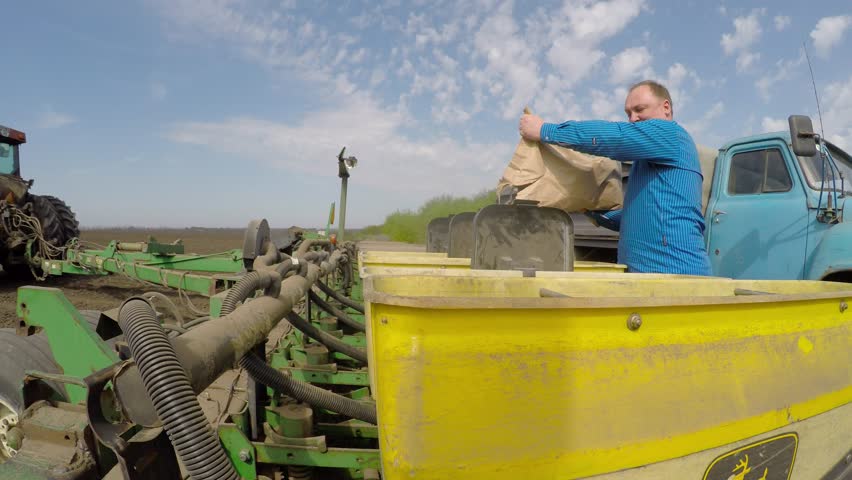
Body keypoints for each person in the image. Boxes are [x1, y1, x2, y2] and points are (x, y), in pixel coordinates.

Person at [518, 80, 711, 276]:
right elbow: (632, 217)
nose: (633, 118)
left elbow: (616, 137)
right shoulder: (646, 163)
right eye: (628, 113)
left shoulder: (672, 135)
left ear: (666, 108)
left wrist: (545, 130)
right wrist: (589, 209)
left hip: (677, 276)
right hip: (649, 278)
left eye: (639, 109)